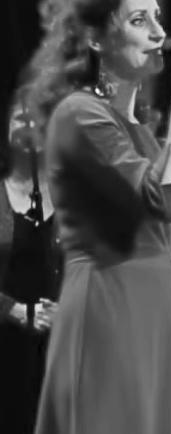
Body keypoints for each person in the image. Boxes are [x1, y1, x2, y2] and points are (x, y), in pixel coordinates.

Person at [25, 0, 171, 434]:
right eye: (139, 20)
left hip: (156, 306)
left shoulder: (140, 129)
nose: (159, 33)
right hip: (111, 303)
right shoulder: (80, 113)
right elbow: (161, 198)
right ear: (96, 39)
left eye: (158, 18)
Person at [0, 88, 61, 434]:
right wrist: (14, 310)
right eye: (22, 117)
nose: (30, 126)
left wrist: (68, 309)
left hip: (59, 349)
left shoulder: (73, 197)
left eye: (40, 120)